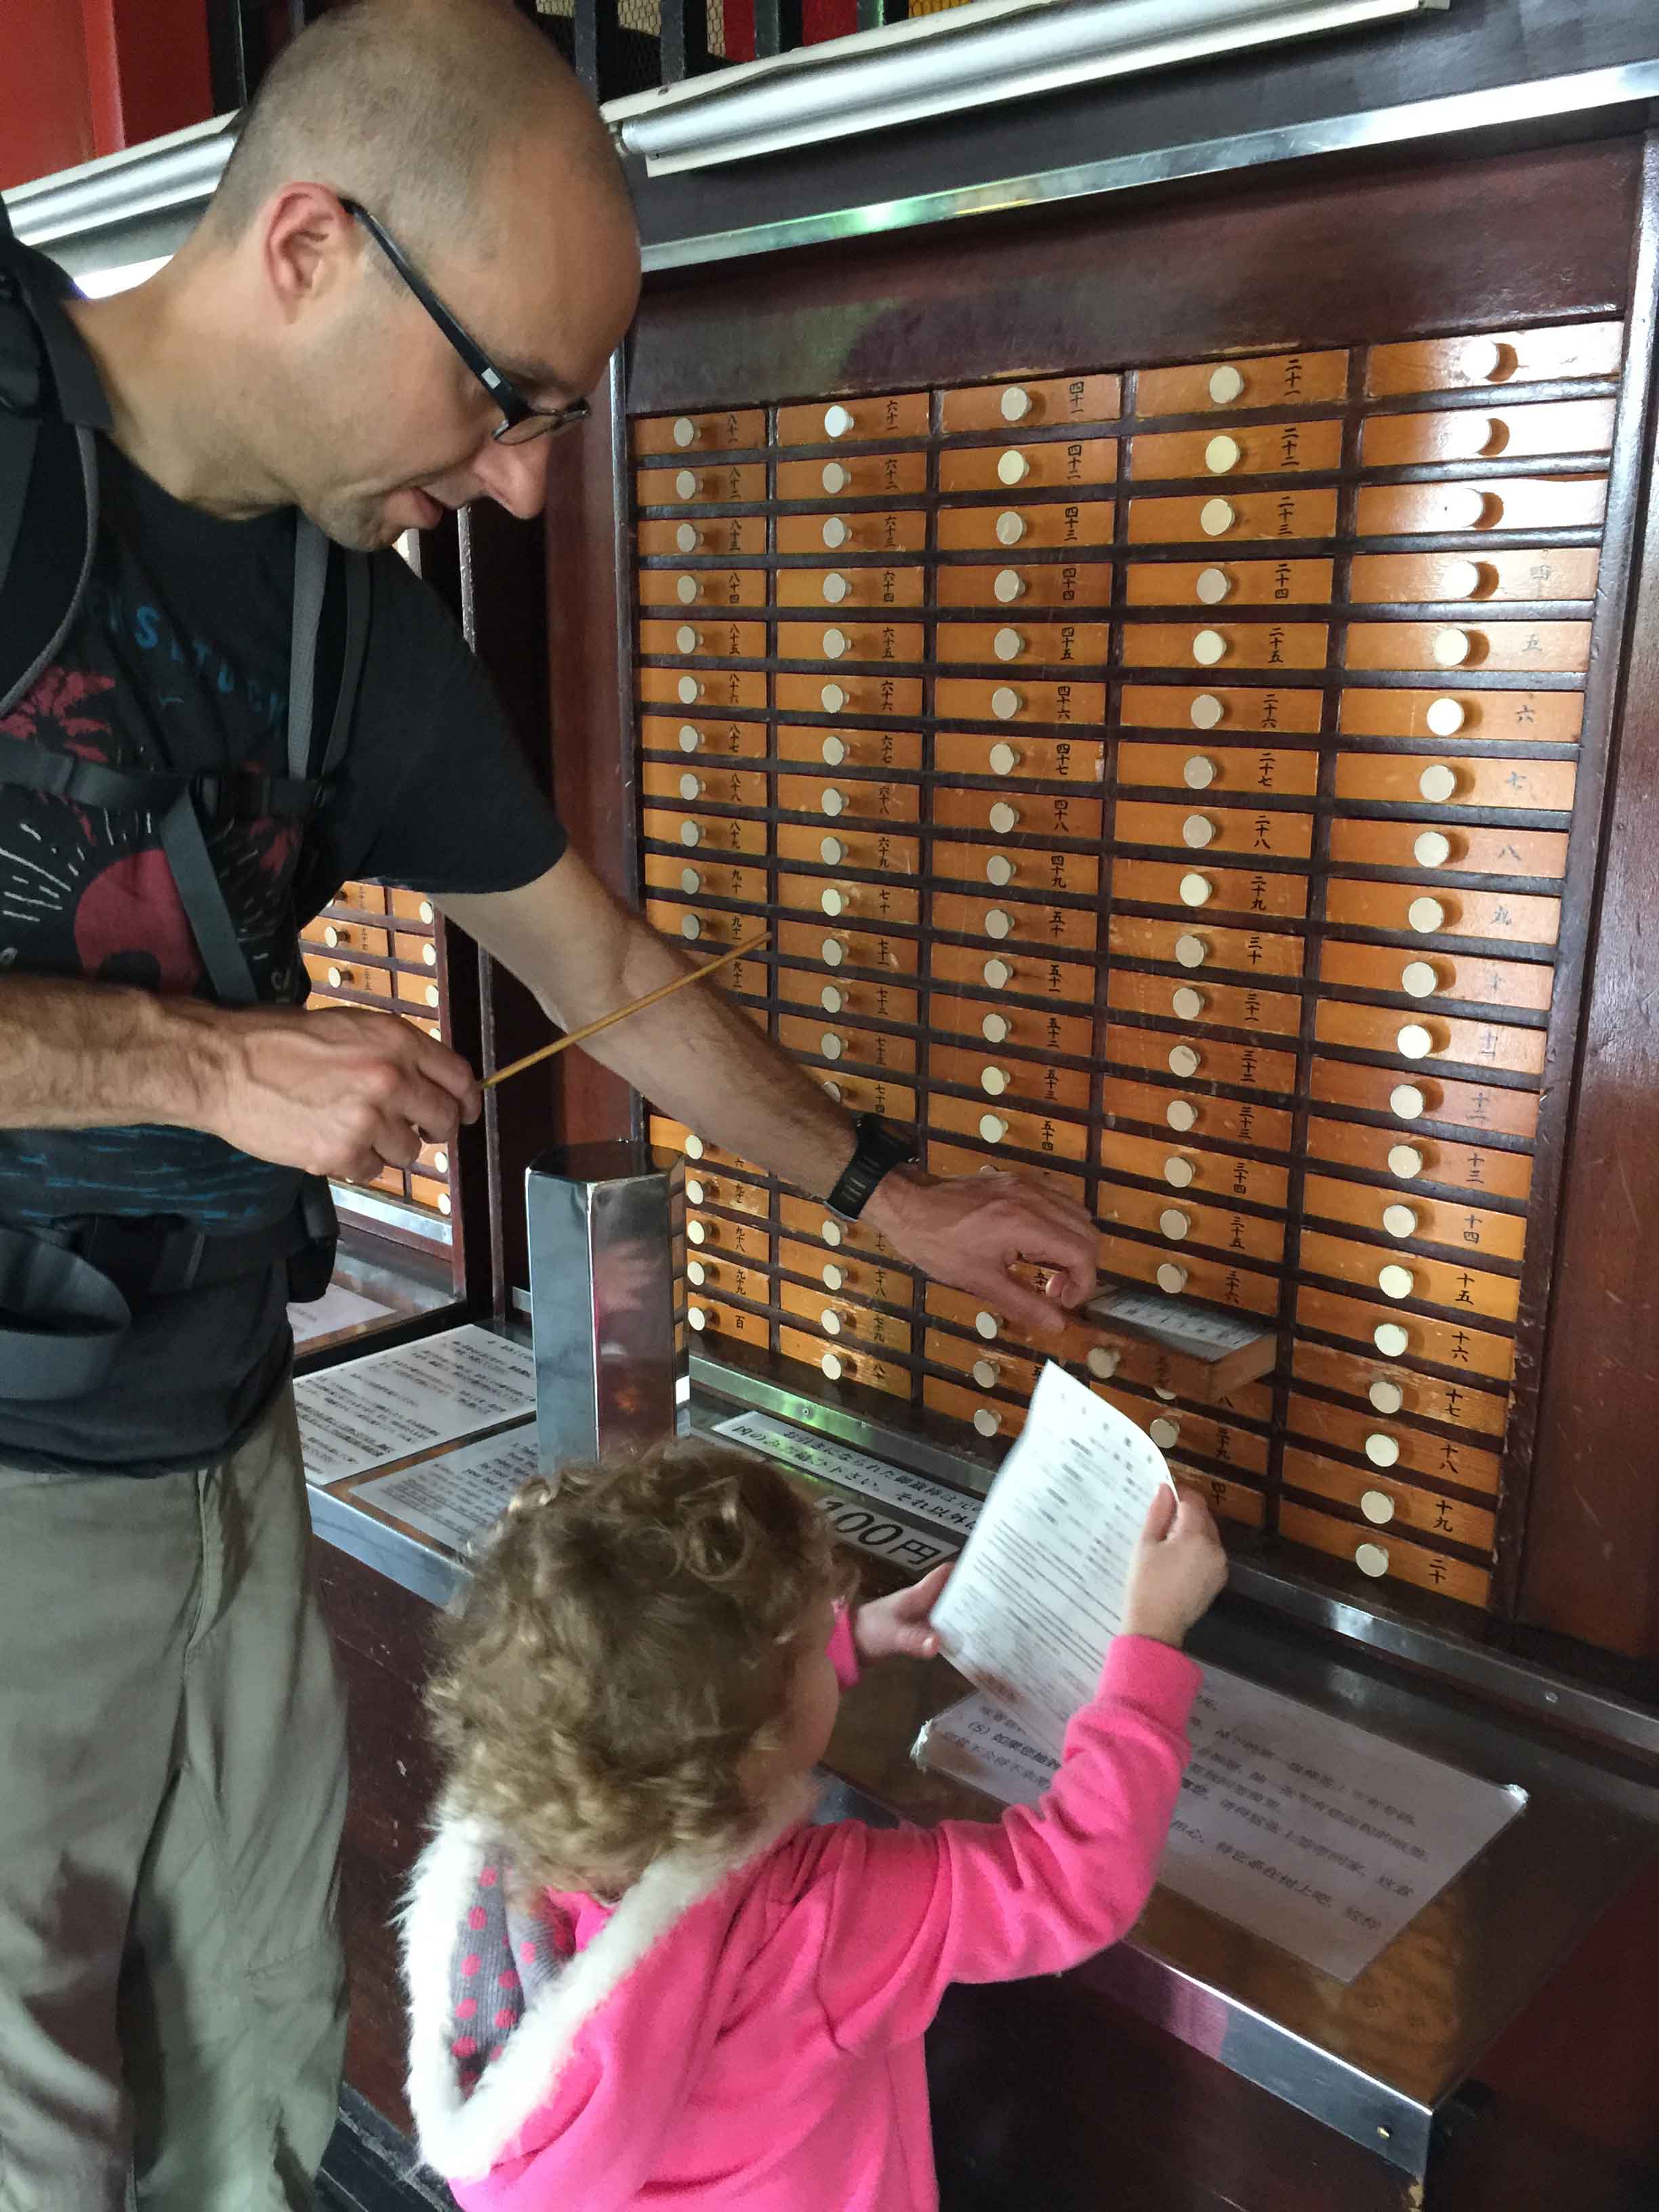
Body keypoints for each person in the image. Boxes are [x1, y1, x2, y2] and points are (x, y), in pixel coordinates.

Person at [0, 1, 1103, 2204]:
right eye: (498, 398)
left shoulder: (351, 621)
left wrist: (885, 1187)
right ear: (306, 241)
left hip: (222, 1435)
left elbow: (600, 965)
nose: (514, 479)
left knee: (259, 2057)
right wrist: (219, 1062)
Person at [403, 1439, 1227, 2211]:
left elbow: (681, 1711)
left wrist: (839, 1648)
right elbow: (1070, 1880)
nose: (835, 1619)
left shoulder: (522, 1875)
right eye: (807, 1638)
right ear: (755, 1737)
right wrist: (1151, 1642)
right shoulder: (820, 1915)